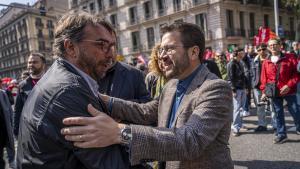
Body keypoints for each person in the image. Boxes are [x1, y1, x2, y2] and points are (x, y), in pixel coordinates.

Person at [61, 22, 234, 169]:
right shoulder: (172, 84)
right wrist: (104, 99)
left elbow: (189, 141)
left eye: (169, 49)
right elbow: (146, 111)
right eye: (161, 50)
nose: (161, 56)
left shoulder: (215, 89)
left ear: (194, 52)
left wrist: (120, 133)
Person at [16, 11, 129, 169]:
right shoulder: (69, 90)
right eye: (103, 45)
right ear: (71, 47)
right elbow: (112, 163)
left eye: (112, 46)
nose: (111, 55)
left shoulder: (59, 77)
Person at [260, 38, 300, 144]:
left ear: (280, 45)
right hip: (274, 91)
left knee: (296, 111)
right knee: (278, 113)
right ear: (268, 47)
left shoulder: (290, 57)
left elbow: (296, 74)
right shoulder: (266, 62)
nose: (273, 47)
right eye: (271, 45)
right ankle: (281, 134)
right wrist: (264, 91)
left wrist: (289, 85)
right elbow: (264, 79)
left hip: (289, 90)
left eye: (275, 44)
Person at [98, 32, 151, 103]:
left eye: (112, 46)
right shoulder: (86, 75)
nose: (109, 53)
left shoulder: (135, 74)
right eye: (103, 47)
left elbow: (147, 105)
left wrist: (119, 105)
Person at [13, 52, 46, 136]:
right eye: (29, 62)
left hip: (50, 131)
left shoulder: (52, 81)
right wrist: (16, 132)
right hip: (30, 131)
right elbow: (18, 110)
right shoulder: (22, 85)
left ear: (43, 64)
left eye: (35, 62)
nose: (31, 65)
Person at [251, 44, 276, 132]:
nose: (262, 51)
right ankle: (262, 124)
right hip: (258, 87)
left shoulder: (272, 59)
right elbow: (252, 74)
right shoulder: (254, 61)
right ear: (257, 51)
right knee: (260, 107)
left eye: (263, 49)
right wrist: (253, 84)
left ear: (266, 49)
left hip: (270, 86)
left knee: (273, 106)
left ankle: (274, 124)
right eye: (259, 50)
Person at [227, 48, 247, 136]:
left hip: (242, 87)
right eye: (241, 52)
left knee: (241, 108)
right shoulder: (231, 63)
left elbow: (243, 76)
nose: (243, 53)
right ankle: (235, 127)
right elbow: (230, 78)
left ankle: (239, 124)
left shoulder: (240, 62)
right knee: (236, 109)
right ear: (237, 53)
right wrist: (233, 89)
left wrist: (246, 87)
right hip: (236, 89)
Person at [0, 88, 15, 169]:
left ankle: (11, 162)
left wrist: (12, 124)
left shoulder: (2, 93)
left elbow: (9, 110)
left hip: (3, 130)